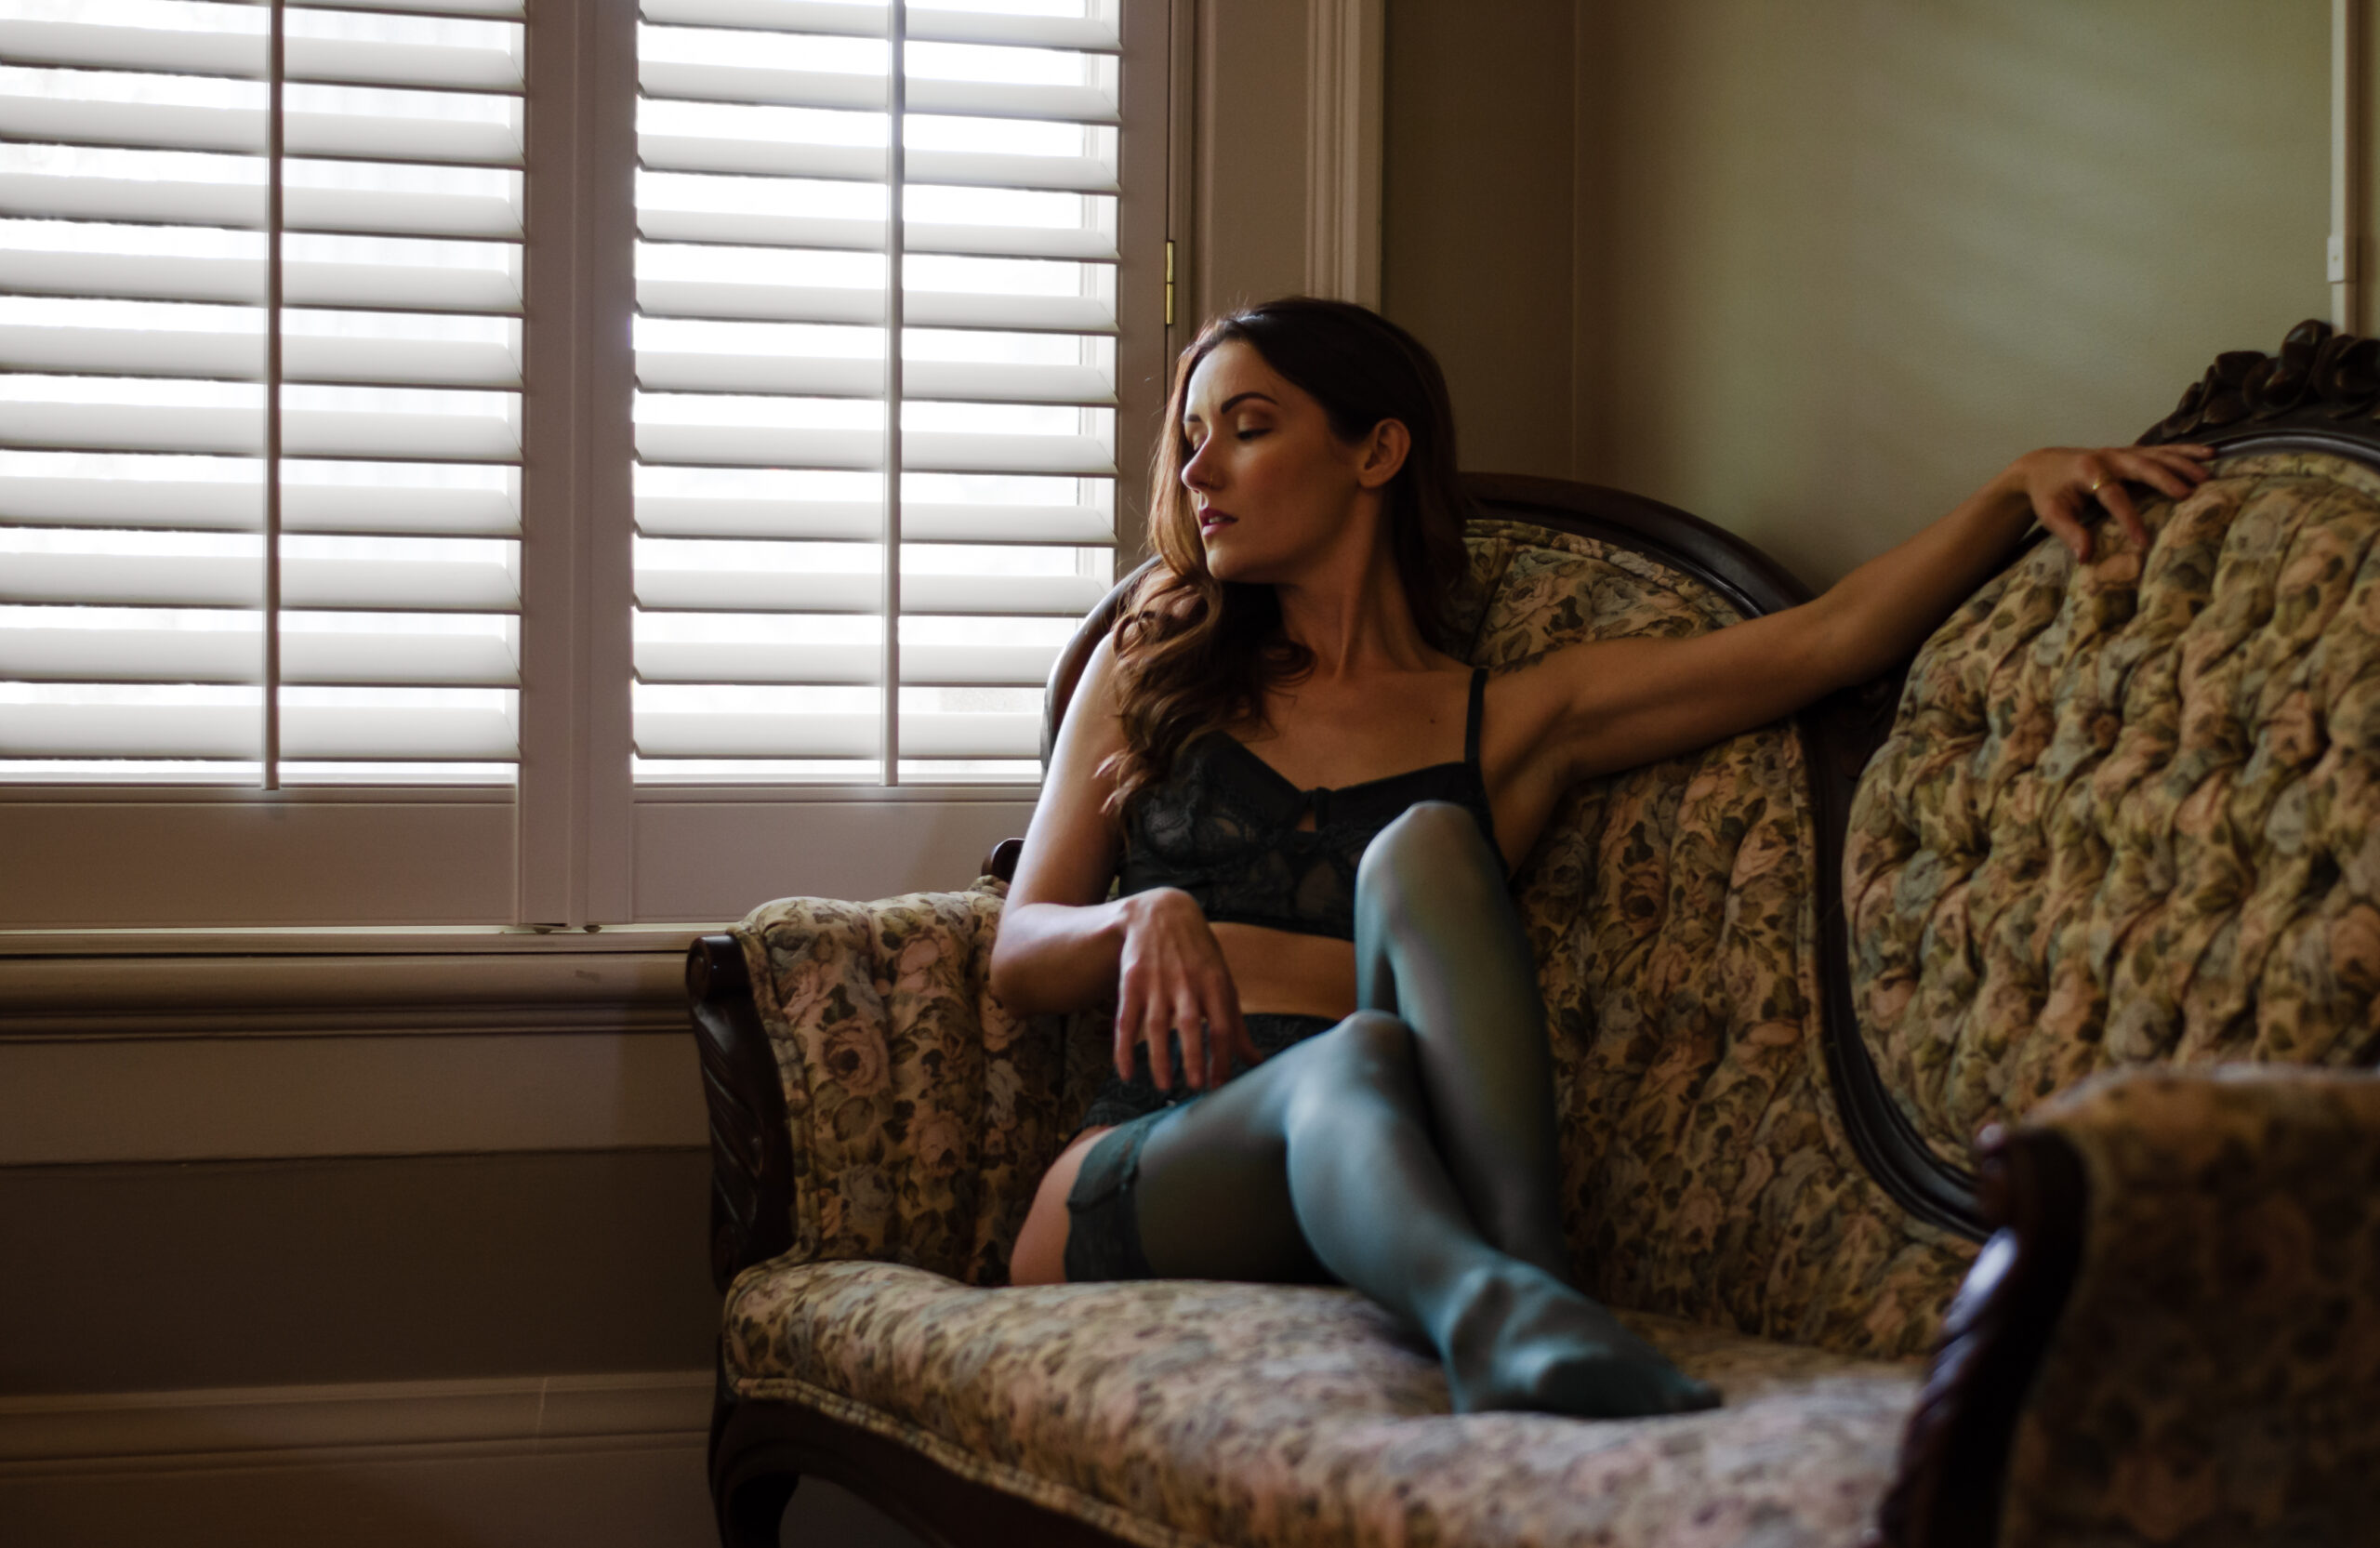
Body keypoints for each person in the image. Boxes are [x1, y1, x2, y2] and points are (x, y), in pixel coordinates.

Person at [988, 297, 2213, 1420]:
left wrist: (2012, 491)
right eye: (1192, 438)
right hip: (1150, 1158)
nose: (1197, 470)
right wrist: (1136, 912)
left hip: (1387, 1180)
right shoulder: (1154, 661)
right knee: (1351, 1058)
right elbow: (1018, 953)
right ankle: (1496, 1316)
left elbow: (1822, 642)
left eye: (1244, 428)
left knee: (1424, 852)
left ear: (1377, 450)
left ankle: (1531, 1276)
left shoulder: (1511, 717)